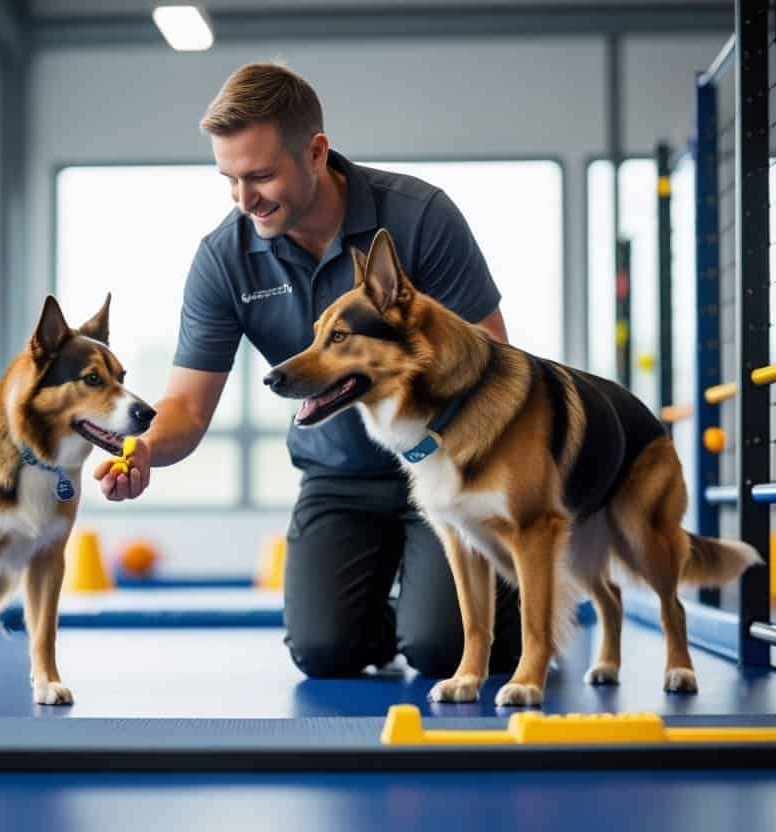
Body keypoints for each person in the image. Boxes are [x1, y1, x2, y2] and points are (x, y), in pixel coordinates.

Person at [93, 62, 521, 679]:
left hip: (447, 468)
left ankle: (483, 609)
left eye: (261, 176)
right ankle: (406, 616)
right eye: (229, 180)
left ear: (315, 152)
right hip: (339, 476)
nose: (245, 200)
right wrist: (142, 449)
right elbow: (185, 409)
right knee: (324, 651)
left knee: (441, 650)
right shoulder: (225, 257)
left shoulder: (420, 216)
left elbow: (491, 362)